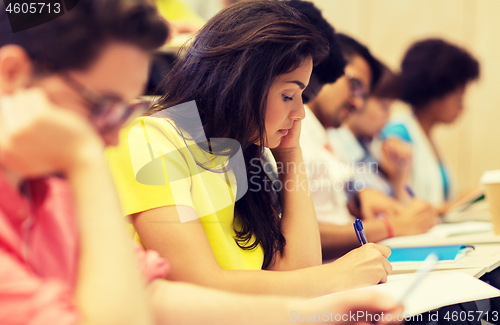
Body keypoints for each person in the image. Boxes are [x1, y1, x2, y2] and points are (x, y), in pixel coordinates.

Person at [0, 1, 405, 324]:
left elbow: (156, 294)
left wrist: (321, 314)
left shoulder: (51, 194)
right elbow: (190, 287)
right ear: (11, 75)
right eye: (102, 106)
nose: (111, 136)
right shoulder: (140, 144)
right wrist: (84, 162)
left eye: (123, 111)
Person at [108, 0, 393, 297]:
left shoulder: (237, 154)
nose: (300, 113)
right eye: (288, 95)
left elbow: (299, 267)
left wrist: (289, 153)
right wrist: (340, 274)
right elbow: (200, 286)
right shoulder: (149, 140)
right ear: (243, 83)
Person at [303, 34, 439, 259]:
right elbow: (287, 235)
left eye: (364, 95)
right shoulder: (294, 131)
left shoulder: (323, 134)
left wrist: (358, 198)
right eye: (354, 85)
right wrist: (392, 226)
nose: (357, 103)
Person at [380, 38, 480, 211]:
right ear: (436, 92)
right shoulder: (397, 134)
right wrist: (461, 202)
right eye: (459, 97)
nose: (463, 107)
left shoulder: (425, 136)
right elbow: (406, 207)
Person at [328, 65, 413, 202]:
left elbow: (402, 211)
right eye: (384, 107)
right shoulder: (334, 147)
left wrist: (400, 172)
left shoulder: (369, 150)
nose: (388, 116)